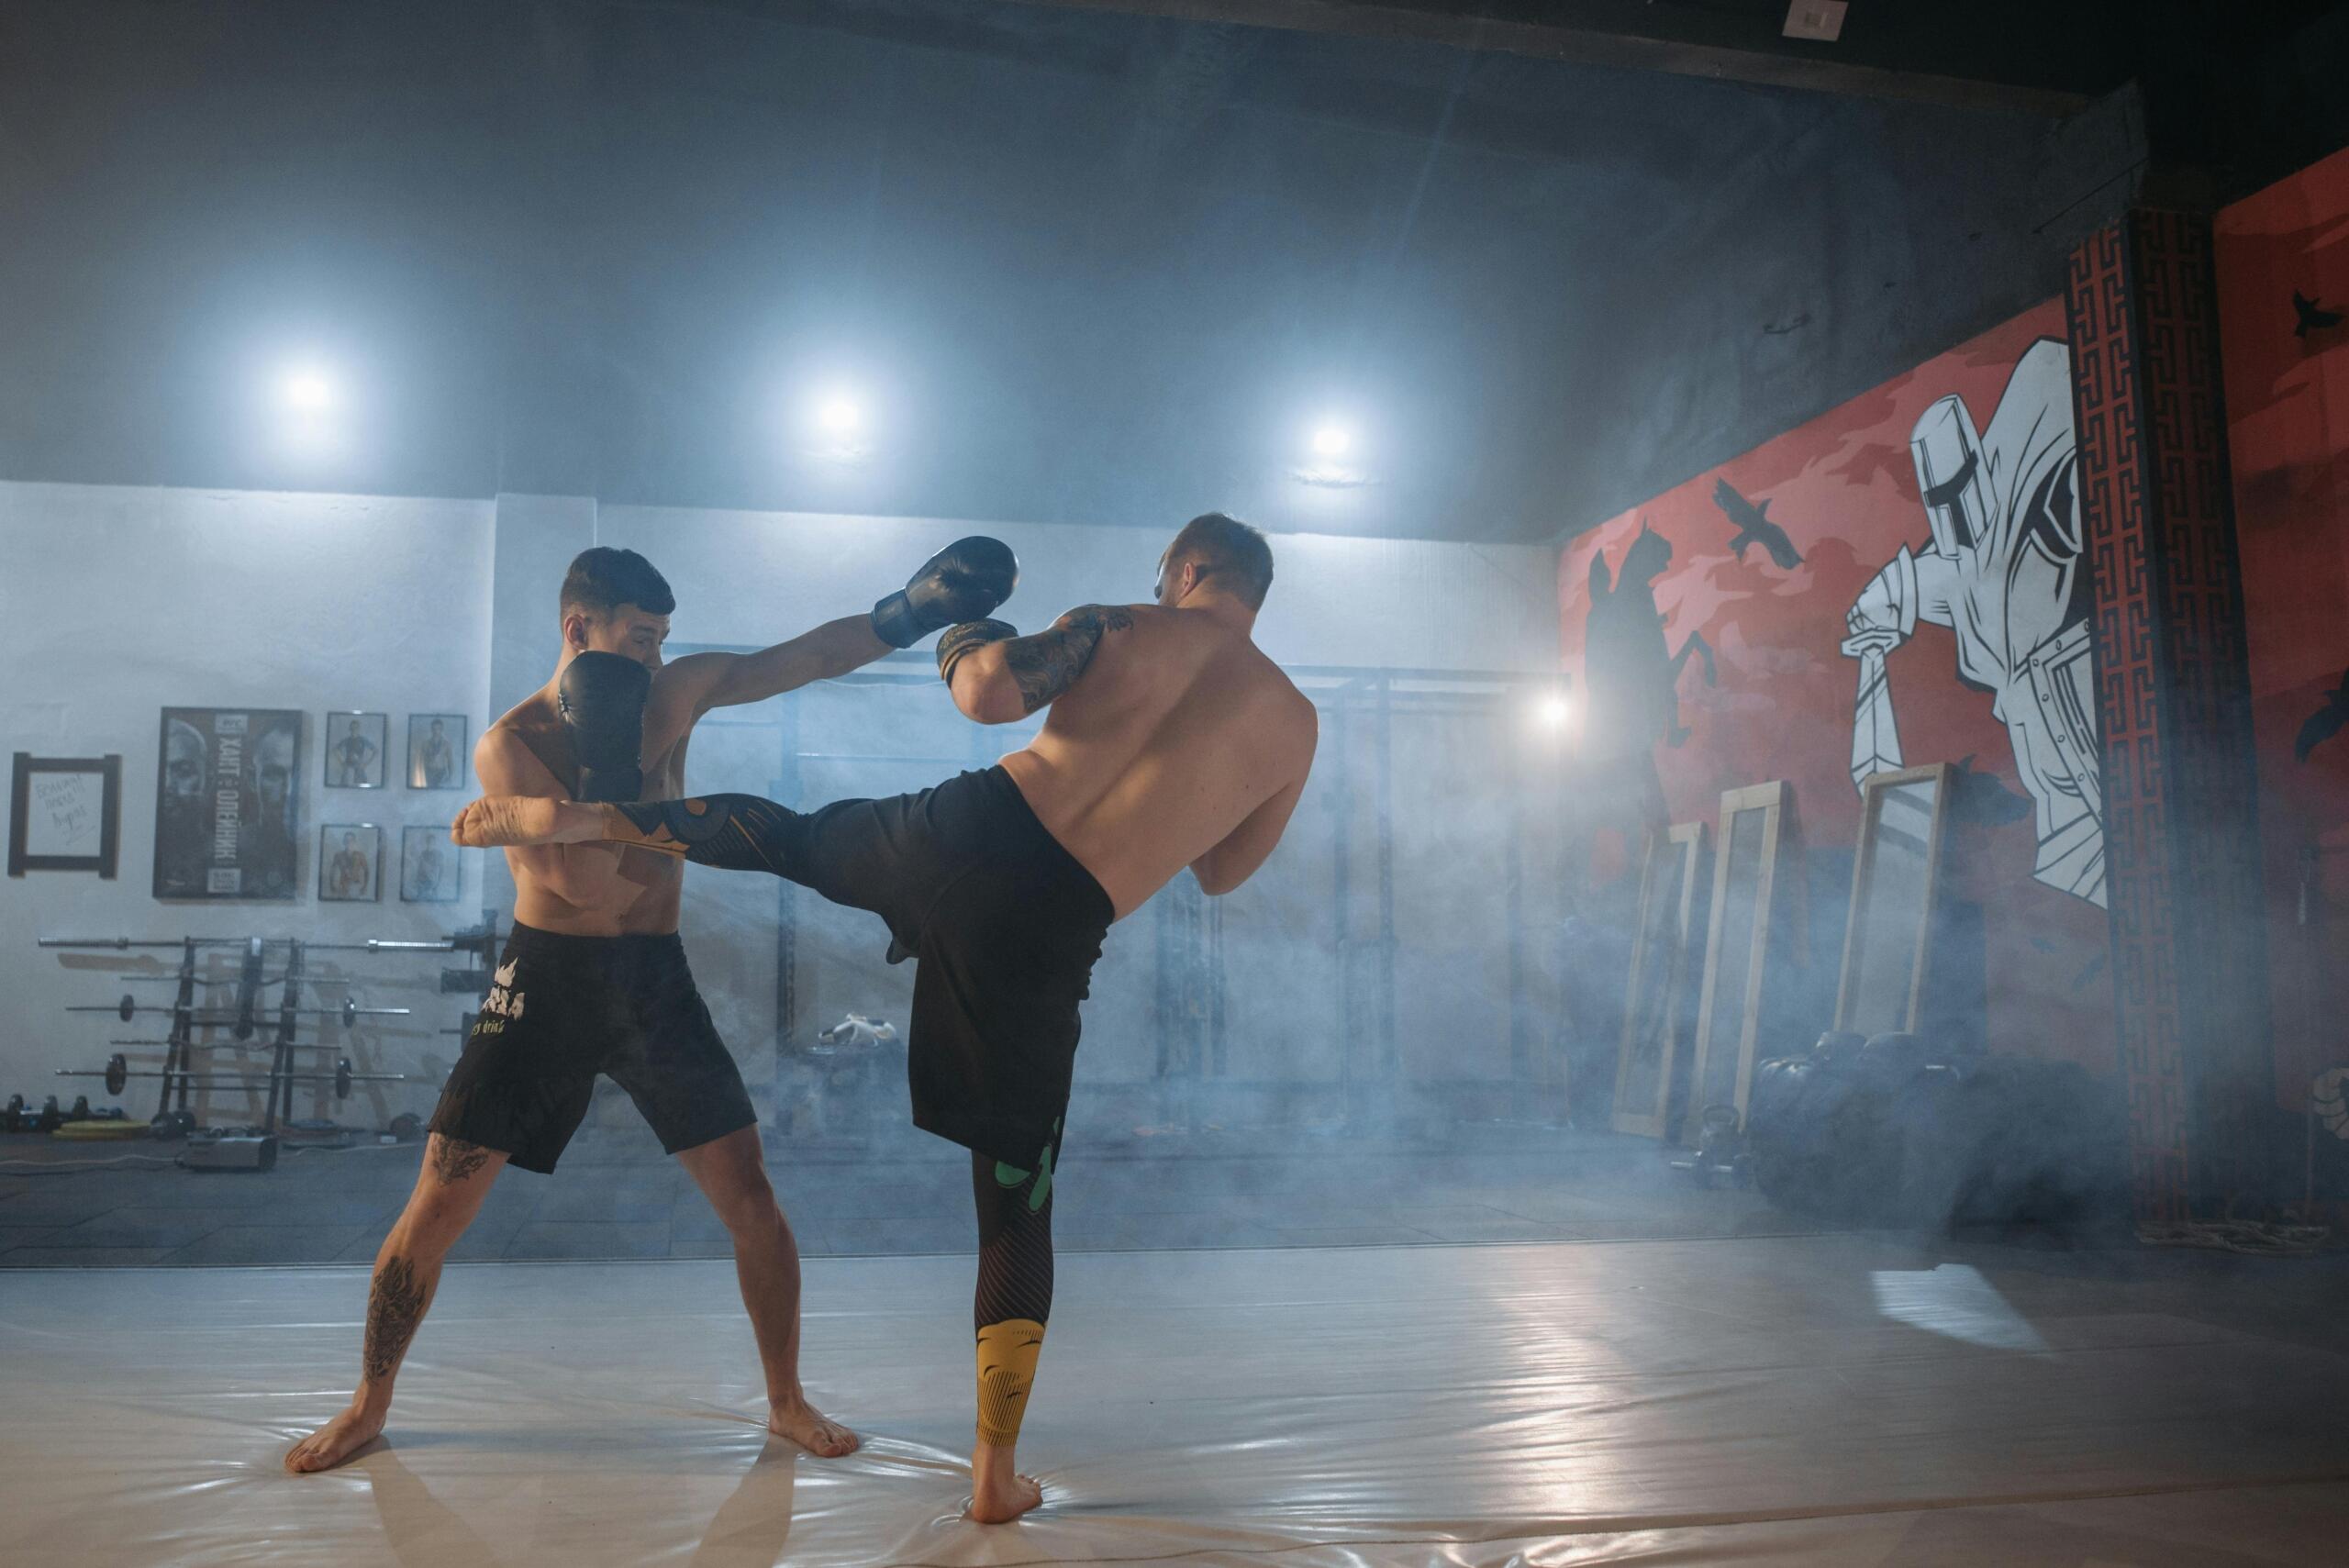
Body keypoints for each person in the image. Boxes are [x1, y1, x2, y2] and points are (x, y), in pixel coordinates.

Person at [453, 513, 1317, 1522]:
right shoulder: (1294, 723)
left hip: (971, 834)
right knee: (1017, 1198)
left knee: (801, 838)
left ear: (1187, 568)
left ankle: (601, 816)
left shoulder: (1121, 624)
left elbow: (988, 693)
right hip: (1054, 921)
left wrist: (952, 631)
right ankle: (994, 1477)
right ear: (1255, 591)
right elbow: (1222, 871)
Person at [284, 538, 1016, 1474]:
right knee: (437, 1204)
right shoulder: (511, 744)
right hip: (546, 980)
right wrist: (579, 794)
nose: (657, 660)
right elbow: (583, 888)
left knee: (751, 1195)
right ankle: (366, 1404)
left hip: (653, 979)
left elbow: (802, 657)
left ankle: (786, 1400)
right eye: (639, 638)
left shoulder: (671, 695)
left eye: (664, 639)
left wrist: (909, 610)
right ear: (577, 628)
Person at [333, 717, 379, 787]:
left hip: (359, 767)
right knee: (344, 787)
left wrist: (366, 764)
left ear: (358, 729)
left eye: (356, 728)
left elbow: (375, 751)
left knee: (361, 788)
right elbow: (335, 750)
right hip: (348, 767)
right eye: (352, 728)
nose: (354, 730)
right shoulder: (347, 740)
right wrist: (341, 762)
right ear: (350, 729)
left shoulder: (363, 740)